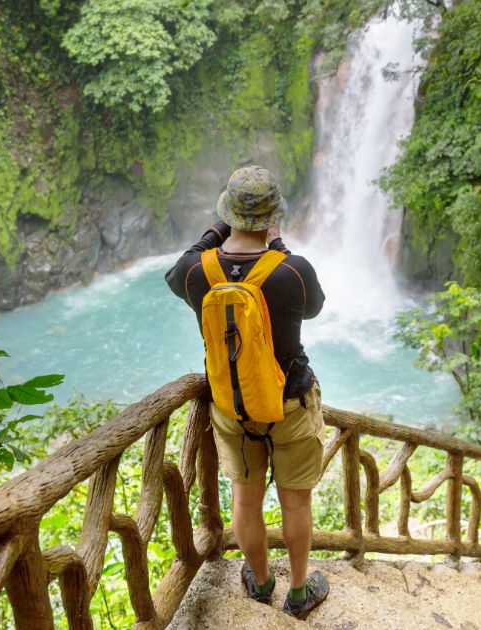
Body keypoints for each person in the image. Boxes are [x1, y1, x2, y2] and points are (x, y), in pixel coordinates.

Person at [165, 165, 329, 619]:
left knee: (245, 496)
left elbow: (175, 271)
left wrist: (216, 231)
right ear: (273, 217)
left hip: (231, 406)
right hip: (290, 403)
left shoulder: (199, 271)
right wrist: (277, 246)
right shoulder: (291, 270)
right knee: (296, 499)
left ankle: (258, 582)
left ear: (227, 215)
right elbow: (313, 308)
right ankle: (299, 592)